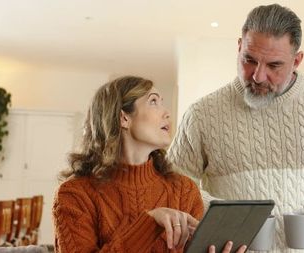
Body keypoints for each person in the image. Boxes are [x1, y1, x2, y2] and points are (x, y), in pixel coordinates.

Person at [167, 4, 304, 253]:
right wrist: (222, 216)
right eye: (249, 60)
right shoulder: (202, 114)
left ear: (297, 60)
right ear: (239, 46)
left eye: (274, 66)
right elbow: (175, 182)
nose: (258, 76)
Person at [53, 76, 247, 253]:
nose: (166, 113)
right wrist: (149, 223)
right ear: (124, 118)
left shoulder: (184, 191)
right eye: (153, 101)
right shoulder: (74, 195)